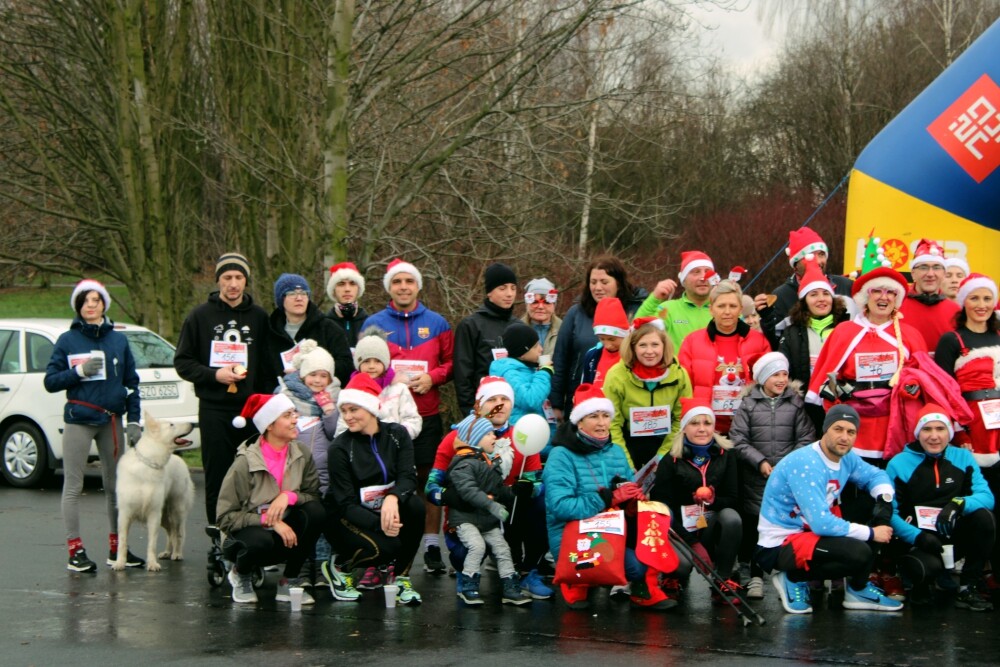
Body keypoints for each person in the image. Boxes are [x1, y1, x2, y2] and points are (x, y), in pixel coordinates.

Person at [757, 405, 903, 614]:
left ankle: (858, 589)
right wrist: (872, 532)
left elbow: (875, 475)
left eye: (850, 432)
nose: (844, 437)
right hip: (783, 541)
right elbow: (822, 524)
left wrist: (884, 499)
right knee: (859, 551)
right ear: (825, 430)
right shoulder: (807, 463)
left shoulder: (846, 457)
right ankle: (793, 577)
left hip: (811, 528)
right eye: (838, 429)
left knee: (873, 504)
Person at [544, 384, 675, 610]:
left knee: (658, 514)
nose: (603, 423)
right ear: (579, 422)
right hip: (576, 534)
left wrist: (633, 502)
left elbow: (623, 492)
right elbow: (560, 506)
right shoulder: (560, 455)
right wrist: (609, 499)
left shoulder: (614, 451)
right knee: (632, 566)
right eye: (593, 416)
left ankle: (645, 588)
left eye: (606, 415)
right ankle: (575, 582)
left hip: (613, 527)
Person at [362, 258, 454, 575]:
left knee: (427, 482)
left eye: (409, 281)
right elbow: (363, 369)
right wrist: (388, 380)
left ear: (418, 286)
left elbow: (451, 363)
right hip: (387, 419)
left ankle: (430, 544)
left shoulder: (438, 323)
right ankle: (388, 546)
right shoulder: (373, 322)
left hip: (426, 415)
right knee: (386, 483)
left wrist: (434, 378)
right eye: (397, 282)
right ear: (389, 287)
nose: (404, 287)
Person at [44, 279, 144, 572]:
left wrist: (135, 419)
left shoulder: (118, 340)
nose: (91, 305)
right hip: (79, 419)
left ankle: (118, 549)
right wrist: (77, 372)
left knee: (115, 487)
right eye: (85, 300)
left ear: (104, 304)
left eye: (96, 300)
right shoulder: (67, 340)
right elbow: (51, 381)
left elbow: (131, 384)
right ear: (79, 306)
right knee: (73, 485)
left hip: (111, 421)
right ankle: (75, 551)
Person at [424, 376, 552, 600]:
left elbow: (536, 485)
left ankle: (526, 571)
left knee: (542, 504)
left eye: (505, 399)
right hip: (469, 515)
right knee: (465, 553)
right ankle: (468, 575)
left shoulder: (523, 436)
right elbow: (431, 486)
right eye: (492, 399)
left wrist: (527, 489)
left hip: (509, 512)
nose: (499, 404)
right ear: (479, 405)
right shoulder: (456, 438)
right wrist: (448, 496)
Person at [174, 252, 271, 526]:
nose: (233, 284)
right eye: (227, 277)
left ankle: (250, 533)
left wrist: (263, 402)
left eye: (239, 277)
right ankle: (219, 536)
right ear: (217, 281)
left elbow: (266, 366)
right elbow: (183, 362)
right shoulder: (200, 316)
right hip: (214, 409)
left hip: (250, 410)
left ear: (246, 281)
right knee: (217, 476)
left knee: (252, 475)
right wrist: (214, 375)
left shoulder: (259, 317)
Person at [322, 373, 425, 606]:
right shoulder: (339, 447)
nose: (347, 417)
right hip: (345, 516)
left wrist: (393, 498)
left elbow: (408, 477)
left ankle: (400, 576)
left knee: (416, 506)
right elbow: (344, 502)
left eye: (353, 410)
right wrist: (381, 524)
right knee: (387, 548)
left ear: (370, 408)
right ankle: (340, 567)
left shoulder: (397, 434)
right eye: (344, 410)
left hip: (384, 509)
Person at [806, 266, 927, 462]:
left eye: (890, 292)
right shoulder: (844, 332)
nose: (884, 297)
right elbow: (827, 379)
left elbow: (924, 379)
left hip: (895, 425)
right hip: (854, 426)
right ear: (865, 297)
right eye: (877, 291)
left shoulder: (910, 335)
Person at [334, 326, 422, 590]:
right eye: (365, 361)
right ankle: (369, 564)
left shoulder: (398, 390)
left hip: (393, 462)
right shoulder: (350, 393)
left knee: (415, 506)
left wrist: (392, 438)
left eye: (376, 361)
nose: (371, 366)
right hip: (363, 479)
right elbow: (342, 430)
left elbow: (413, 421)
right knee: (381, 532)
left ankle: (400, 573)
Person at [217, 393, 325, 605]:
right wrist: (269, 521)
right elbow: (225, 517)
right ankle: (241, 573)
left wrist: (288, 496)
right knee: (260, 540)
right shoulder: (244, 462)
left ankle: (289, 581)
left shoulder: (302, 453)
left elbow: (313, 495)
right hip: (250, 535)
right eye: (287, 415)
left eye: (294, 413)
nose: (295, 419)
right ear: (269, 425)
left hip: (286, 531)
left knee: (316, 512)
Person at [885, 404, 995, 611]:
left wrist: (958, 504)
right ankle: (920, 584)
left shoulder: (962, 457)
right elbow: (890, 513)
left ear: (949, 432)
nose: (934, 436)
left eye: (940, 429)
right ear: (918, 433)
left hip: (952, 537)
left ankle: (967, 587)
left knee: (985, 518)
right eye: (927, 429)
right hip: (919, 541)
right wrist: (918, 537)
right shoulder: (898, 463)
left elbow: (986, 497)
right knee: (926, 573)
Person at [729, 352, 816, 599]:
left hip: (787, 479)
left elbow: (806, 437)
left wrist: (787, 466)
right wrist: (760, 462)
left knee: (788, 527)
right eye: (775, 374)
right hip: (756, 477)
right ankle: (754, 575)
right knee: (756, 526)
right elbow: (738, 438)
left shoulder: (795, 403)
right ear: (763, 377)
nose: (781, 379)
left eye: (784, 374)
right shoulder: (748, 404)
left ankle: (789, 575)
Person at [934, 273, 1000, 578]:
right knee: (978, 502)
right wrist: (959, 433)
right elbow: (943, 391)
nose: (981, 305)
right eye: (974, 298)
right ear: (963, 302)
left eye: (987, 298)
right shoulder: (952, 340)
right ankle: (970, 568)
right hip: (973, 432)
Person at [651, 396, 743, 605]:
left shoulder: (726, 455)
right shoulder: (670, 460)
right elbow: (662, 510)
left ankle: (723, 578)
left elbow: (733, 499)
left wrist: (712, 500)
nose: (702, 429)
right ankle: (673, 577)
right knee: (682, 565)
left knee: (732, 518)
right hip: (680, 530)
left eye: (707, 423)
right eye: (694, 423)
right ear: (684, 428)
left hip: (709, 526)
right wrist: (692, 544)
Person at [276, 339, 342, 587]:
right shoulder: (287, 397)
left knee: (322, 521)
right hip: (293, 473)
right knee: (298, 521)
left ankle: (321, 567)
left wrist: (329, 411)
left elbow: (335, 432)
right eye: (313, 374)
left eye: (323, 376)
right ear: (303, 375)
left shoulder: (335, 399)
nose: (317, 380)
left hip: (323, 473)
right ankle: (300, 567)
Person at [549, 255, 647, 422]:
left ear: (618, 283)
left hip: (627, 401)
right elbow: (561, 359)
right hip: (582, 401)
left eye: (604, 282)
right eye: (593, 282)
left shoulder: (635, 312)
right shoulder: (576, 313)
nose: (598, 287)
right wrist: (556, 403)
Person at [447, 414, 530, 606]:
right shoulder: (463, 464)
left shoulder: (489, 463)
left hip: (486, 520)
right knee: (477, 546)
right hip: (465, 520)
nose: (495, 437)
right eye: (489, 434)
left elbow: (498, 490)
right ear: (475, 439)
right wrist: (492, 505)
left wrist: (515, 491)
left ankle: (510, 586)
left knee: (502, 549)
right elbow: (469, 491)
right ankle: (468, 585)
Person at [678, 279, 771, 435]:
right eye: (721, 306)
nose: (727, 312)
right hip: (707, 428)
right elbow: (683, 387)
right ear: (711, 308)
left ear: (740, 309)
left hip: (748, 426)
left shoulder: (758, 341)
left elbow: (768, 384)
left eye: (733, 306)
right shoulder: (692, 342)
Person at [603, 317, 692, 469]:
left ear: (664, 346)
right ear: (632, 347)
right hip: (627, 443)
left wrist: (663, 457)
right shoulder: (616, 375)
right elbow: (612, 423)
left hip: (667, 443)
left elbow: (682, 418)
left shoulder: (679, 374)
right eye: (642, 345)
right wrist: (626, 463)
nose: (649, 351)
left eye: (655, 344)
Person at [777, 259, 853, 433]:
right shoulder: (792, 333)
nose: (821, 299)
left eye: (825, 294)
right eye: (813, 294)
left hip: (840, 407)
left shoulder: (848, 329)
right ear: (804, 300)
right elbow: (783, 372)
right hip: (804, 411)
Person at [755, 228, 853, 341]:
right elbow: (776, 343)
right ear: (795, 263)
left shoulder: (846, 286)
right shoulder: (781, 296)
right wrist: (767, 319)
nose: (817, 261)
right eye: (810, 256)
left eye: (821, 254)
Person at [264, 273, 353, 389]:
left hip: (324, 399)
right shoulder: (271, 332)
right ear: (281, 299)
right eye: (292, 293)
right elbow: (265, 374)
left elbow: (346, 365)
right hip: (284, 400)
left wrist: (317, 371)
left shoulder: (328, 328)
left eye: (303, 293)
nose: (299, 298)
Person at [454, 262, 519, 416]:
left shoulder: (519, 326)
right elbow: (462, 375)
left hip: (514, 410)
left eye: (513, 288)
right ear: (489, 292)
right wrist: (471, 412)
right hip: (482, 410)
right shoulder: (471, 325)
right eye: (502, 288)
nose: (509, 294)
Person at [635, 250, 716, 352]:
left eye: (708, 272)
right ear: (683, 279)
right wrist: (654, 298)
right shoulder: (667, 309)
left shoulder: (724, 309)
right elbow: (638, 328)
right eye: (696, 272)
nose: (703, 277)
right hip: (677, 368)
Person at [899, 239, 961, 352]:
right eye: (923, 267)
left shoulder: (956, 311)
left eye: (937, 267)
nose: (930, 274)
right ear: (913, 274)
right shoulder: (897, 305)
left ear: (944, 274)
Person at [490, 321, 553, 427]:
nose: (541, 349)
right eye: (535, 346)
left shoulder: (528, 368)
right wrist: (544, 373)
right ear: (522, 353)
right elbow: (530, 401)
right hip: (523, 434)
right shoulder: (509, 374)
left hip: (537, 429)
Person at [580, 297, 629, 388]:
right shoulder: (592, 355)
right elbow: (585, 386)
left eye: (612, 339)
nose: (607, 345)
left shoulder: (632, 355)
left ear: (624, 335)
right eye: (602, 339)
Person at [326, 262, 369, 347]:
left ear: (358, 289)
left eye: (352, 284)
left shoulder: (370, 323)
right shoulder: (323, 325)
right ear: (333, 290)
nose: (347, 289)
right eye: (341, 284)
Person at [522, 277, 562, 357]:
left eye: (547, 302)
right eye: (535, 302)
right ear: (527, 304)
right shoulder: (518, 330)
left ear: (554, 305)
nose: (540, 306)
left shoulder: (564, 329)